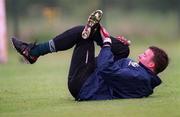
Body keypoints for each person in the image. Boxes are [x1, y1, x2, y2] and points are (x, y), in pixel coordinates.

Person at [11, 10, 169, 101]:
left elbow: (106, 69)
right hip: (92, 78)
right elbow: (113, 71)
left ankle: (33, 52)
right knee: (123, 50)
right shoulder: (141, 75)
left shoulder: (141, 78)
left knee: (83, 33)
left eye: (146, 55)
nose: (141, 54)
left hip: (84, 85)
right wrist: (117, 46)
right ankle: (95, 30)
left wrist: (107, 44)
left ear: (152, 65)